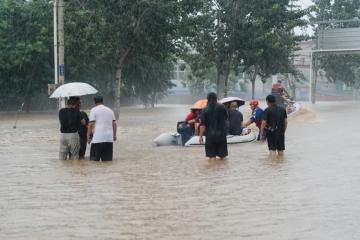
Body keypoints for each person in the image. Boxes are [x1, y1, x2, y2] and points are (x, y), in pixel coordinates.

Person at [199, 92, 228, 160]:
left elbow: (202, 125)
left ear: (208, 99)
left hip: (210, 137)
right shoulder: (222, 107)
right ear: (216, 98)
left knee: (212, 159)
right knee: (222, 158)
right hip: (221, 136)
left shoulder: (204, 110)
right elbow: (226, 119)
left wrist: (200, 137)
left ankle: (212, 169)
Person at [87, 96, 117, 161]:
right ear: (102, 101)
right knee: (107, 162)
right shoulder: (110, 110)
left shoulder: (93, 110)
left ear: (95, 102)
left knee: (94, 162)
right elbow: (114, 124)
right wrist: (114, 136)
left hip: (97, 139)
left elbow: (91, 124)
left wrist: (88, 136)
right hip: (109, 139)